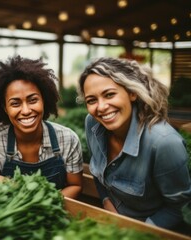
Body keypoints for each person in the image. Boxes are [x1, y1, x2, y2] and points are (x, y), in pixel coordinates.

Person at [77, 57, 191, 230]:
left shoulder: (164, 143)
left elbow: (179, 208)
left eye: (109, 94)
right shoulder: (92, 124)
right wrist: (107, 203)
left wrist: (136, 233)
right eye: (91, 100)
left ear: (132, 93)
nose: (101, 107)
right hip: (112, 223)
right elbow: (98, 170)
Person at [0, 55, 83, 199]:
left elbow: (75, 186)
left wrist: (43, 206)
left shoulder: (67, 139)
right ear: (5, 108)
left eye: (33, 100)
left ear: (44, 100)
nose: (26, 111)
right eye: (15, 103)